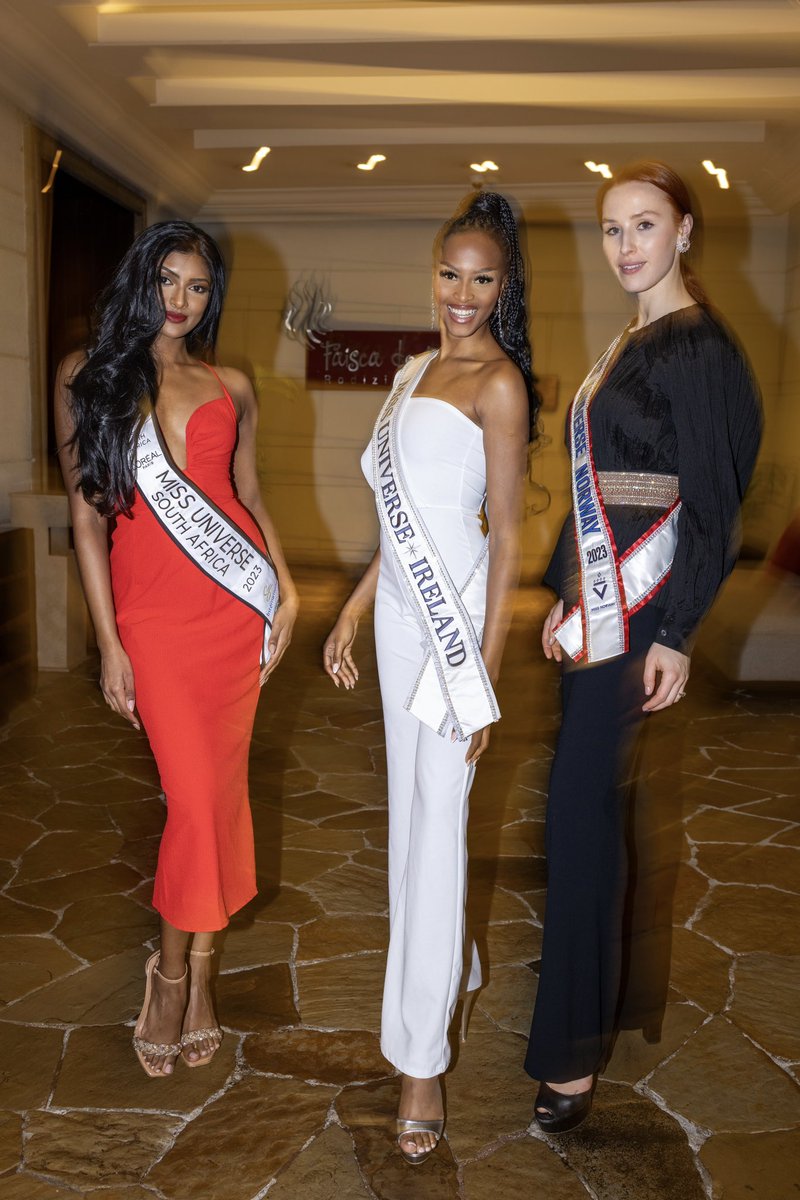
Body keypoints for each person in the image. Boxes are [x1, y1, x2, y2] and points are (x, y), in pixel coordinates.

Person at [525, 161, 762, 1132]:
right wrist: (561, 590)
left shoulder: (697, 347)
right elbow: (603, 477)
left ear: (683, 231)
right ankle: (590, 1007)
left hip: (642, 614)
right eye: (611, 229)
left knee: (576, 817)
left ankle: (570, 1057)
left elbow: (709, 499)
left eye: (643, 225)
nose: (625, 245)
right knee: (583, 816)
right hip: (601, 606)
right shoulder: (633, 339)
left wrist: (674, 633)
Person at [55, 221, 298, 1077]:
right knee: (196, 802)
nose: (181, 301)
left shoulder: (230, 381)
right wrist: (109, 644)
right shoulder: (86, 376)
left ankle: (195, 976)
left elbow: (251, 495)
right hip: (153, 621)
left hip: (235, 610)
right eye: (168, 280)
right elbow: (87, 521)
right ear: (141, 279)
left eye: (198, 287)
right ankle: (173, 975)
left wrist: (289, 587)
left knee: (214, 799)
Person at [323, 191, 535, 1164]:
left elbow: (504, 540)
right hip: (402, 632)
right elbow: (392, 531)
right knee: (411, 834)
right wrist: (355, 610)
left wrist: (484, 672)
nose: (461, 293)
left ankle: (422, 1060)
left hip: (453, 649)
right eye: (449, 273)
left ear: (502, 285)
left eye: (480, 278)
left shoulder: (499, 385)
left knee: (439, 830)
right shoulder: (411, 372)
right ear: (433, 274)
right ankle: (443, 959)